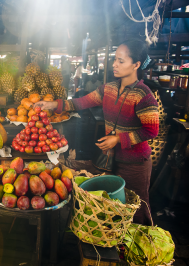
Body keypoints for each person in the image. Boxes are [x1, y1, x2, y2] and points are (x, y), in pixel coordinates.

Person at [34, 39, 159, 225]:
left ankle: (137, 249)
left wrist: (117, 139)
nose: (114, 64)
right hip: (110, 161)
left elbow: (151, 131)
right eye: (115, 59)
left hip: (135, 164)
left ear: (136, 65)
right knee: (112, 209)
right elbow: (79, 102)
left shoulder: (144, 95)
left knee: (136, 210)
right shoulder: (108, 89)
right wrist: (52, 105)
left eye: (121, 61)